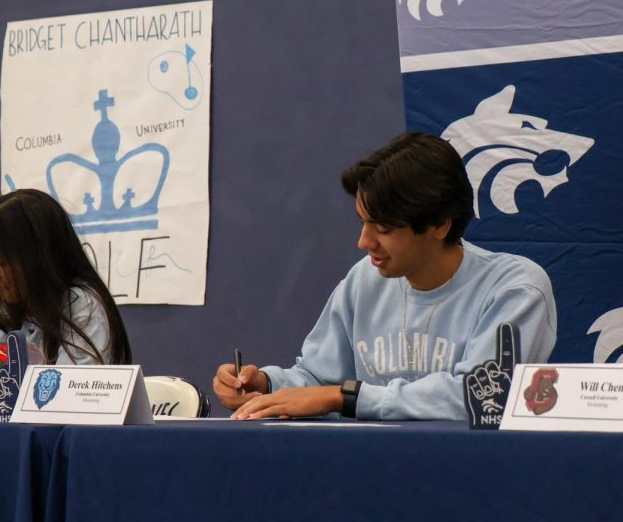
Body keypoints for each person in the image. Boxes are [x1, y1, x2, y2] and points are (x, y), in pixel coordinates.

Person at [213, 132, 557, 420]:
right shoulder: (364, 279)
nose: (364, 242)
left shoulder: (515, 288)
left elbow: (482, 396)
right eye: (363, 222)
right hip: (372, 476)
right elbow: (319, 378)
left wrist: (347, 397)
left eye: (384, 228)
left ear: (439, 224)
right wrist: (266, 385)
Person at [0, 189, 132, 365]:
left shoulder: (81, 307)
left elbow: (68, 389)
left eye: (0, 261)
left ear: (38, 257)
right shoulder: (0, 311)